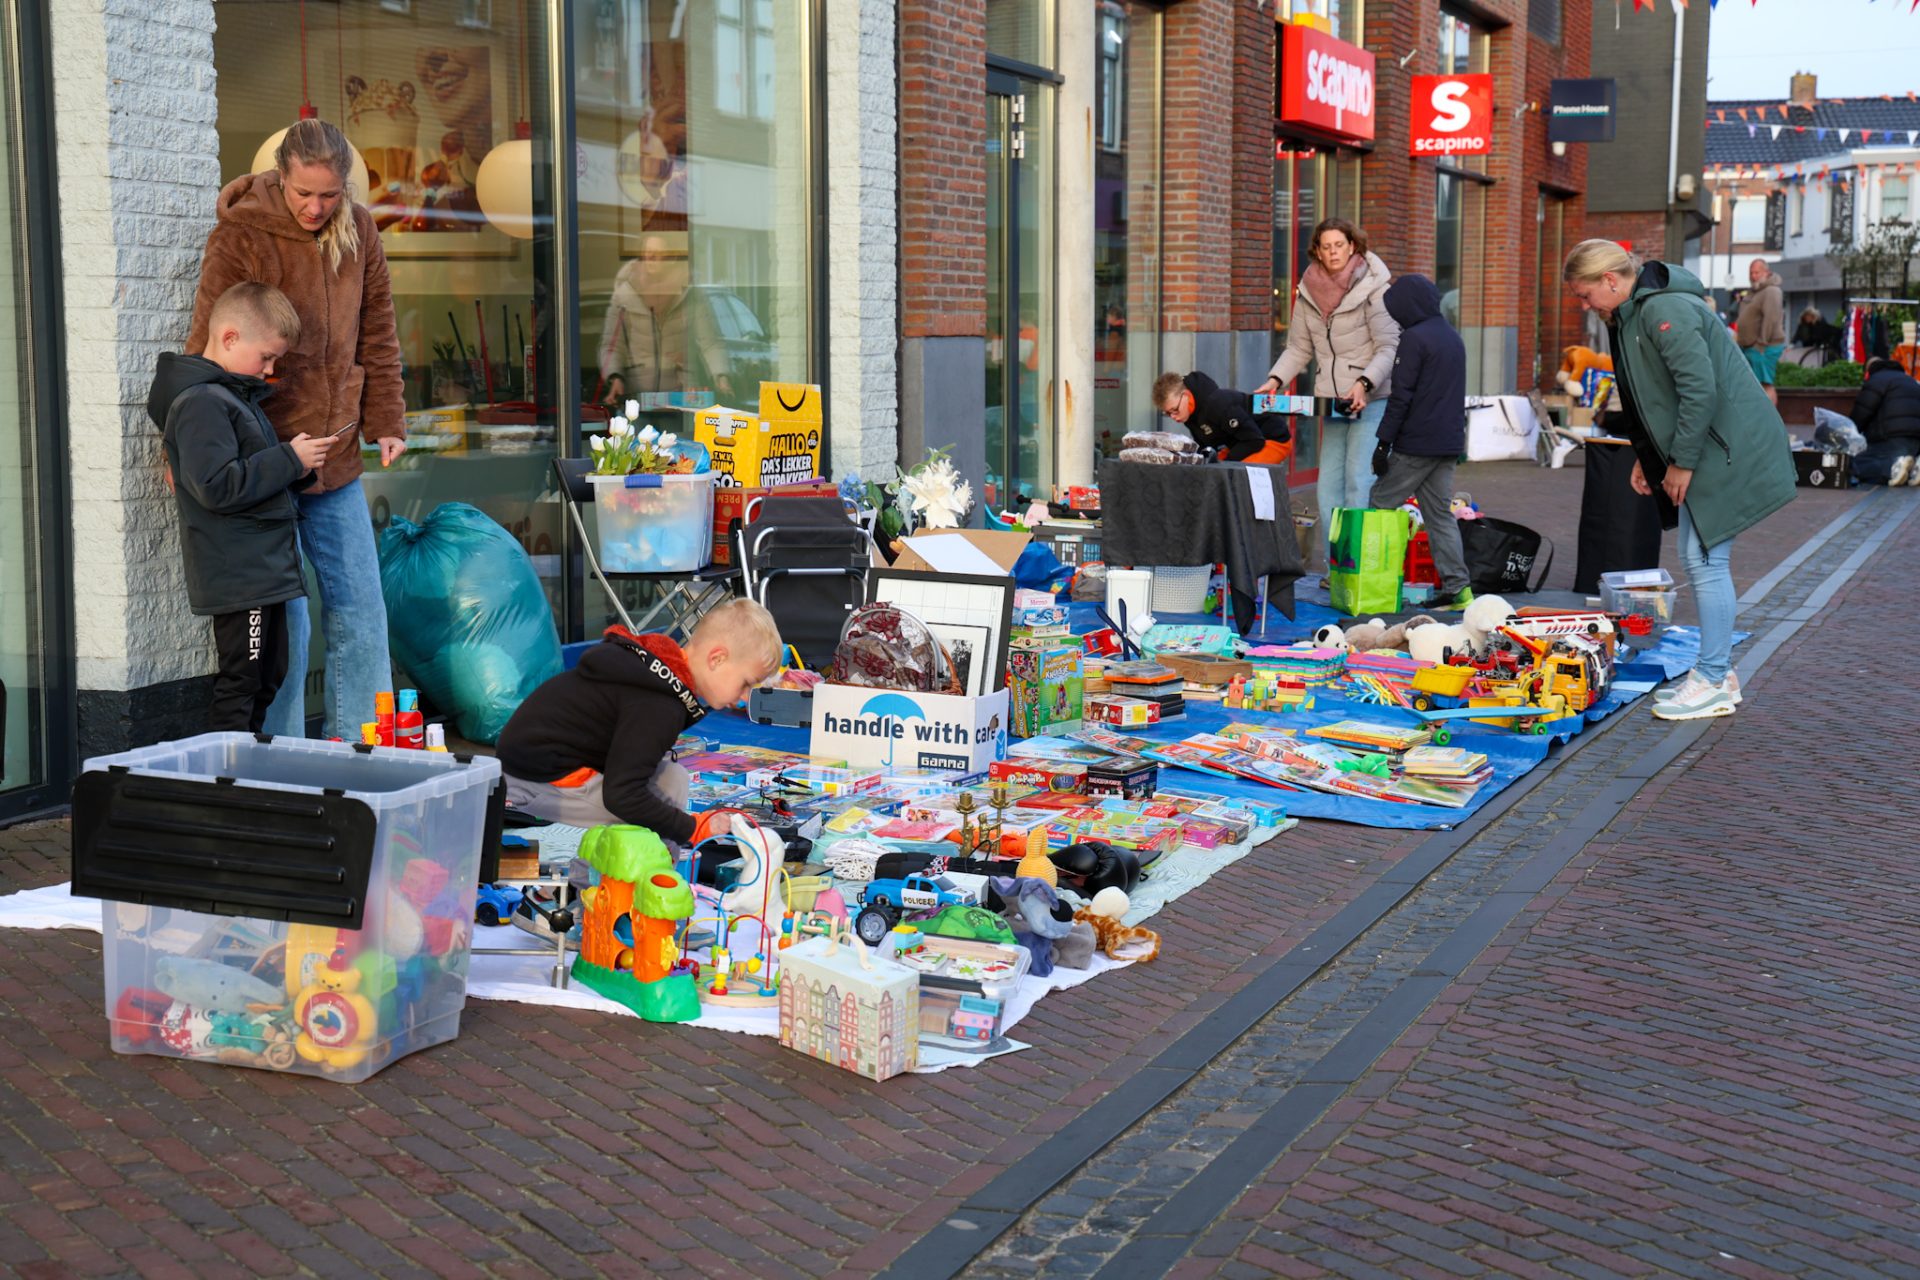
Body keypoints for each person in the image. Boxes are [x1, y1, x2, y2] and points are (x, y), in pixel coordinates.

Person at [188, 119, 406, 743]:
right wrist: (188, 440)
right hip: (263, 459)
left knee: (363, 609)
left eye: (329, 195)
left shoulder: (360, 231)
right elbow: (210, 337)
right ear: (279, 178)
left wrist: (386, 419)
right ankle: (276, 757)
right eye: (303, 193)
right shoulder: (242, 234)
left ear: (346, 187)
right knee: (289, 622)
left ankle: (364, 747)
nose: (315, 207)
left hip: (334, 456)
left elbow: (379, 332)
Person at [1562, 240, 1796, 722]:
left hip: (1722, 449)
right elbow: (1657, 398)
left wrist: (1681, 462)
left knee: (1707, 560)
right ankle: (1717, 673)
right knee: (1701, 557)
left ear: (1611, 280)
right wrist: (1649, 459)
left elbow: (1697, 388)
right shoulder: (1633, 313)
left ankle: (1711, 679)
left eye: (1586, 295)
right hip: (1713, 445)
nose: (1585, 307)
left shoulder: (1661, 310)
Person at [149, 284, 333, 732]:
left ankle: (243, 776)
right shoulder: (202, 402)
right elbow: (216, 485)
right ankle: (223, 787)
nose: (270, 370)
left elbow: (249, 472)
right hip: (239, 574)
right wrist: (290, 458)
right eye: (267, 357)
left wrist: (297, 466)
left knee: (267, 676)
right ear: (230, 338)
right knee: (243, 682)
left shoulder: (232, 396)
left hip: (260, 570)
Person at [496, 599, 785, 842]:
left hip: (538, 766)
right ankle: (637, 891)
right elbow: (622, 796)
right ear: (717, 659)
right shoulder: (659, 705)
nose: (746, 697)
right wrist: (693, 828)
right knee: (654, 816)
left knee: (672, 780)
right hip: (530, 783)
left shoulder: (656, 673)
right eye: (747, 683)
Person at [1255, 218, 1398, 569]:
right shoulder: (1309, 290)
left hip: (1371, 398)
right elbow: (1299, 348)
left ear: (1353, 246)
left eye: (1339, 245)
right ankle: (1338, 568)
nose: (1333, 252)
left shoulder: (1375, 287)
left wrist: (1364, 384)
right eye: (1326, 246)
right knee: (1327, 488)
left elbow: (1388, 346)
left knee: (1358, 482)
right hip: (1333, 403)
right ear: (1316, 250)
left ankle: (1361, 568)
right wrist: (1275, 380)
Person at [1367, 275, 1472, 611]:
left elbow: (1402, 397)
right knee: (1440, 514)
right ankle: (1459, 590)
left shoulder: (1414, 338)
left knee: (1380, 504)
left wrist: (1383, 443)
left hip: (1417, 443)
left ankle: (1376, 585)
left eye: (1395, 311)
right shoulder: (1452, 338)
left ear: (1406, 308)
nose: (1394, 317)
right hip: (1448, 443)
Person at [1150, 370, 1291, 464]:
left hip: (1271, 439)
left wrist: (1225, 463)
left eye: (1174, 410)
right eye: (1168, 413)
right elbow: (1205, 445)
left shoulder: (1217, 404)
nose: (1174, 417)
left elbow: (1254, 440)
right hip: (1239, 441)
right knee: (1211, 470)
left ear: (1186, 396)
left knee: (1235, 475)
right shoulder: (1187, 412)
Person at [1849, 357, 1920, 486]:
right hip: (1916, 441)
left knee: (1856, 464)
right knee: (1905, 459)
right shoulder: (1911, 381)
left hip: (1890, 439)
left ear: (1869, 372)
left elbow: (1862, 412)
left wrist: (1849, 433)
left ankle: (1892, 467)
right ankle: (1914, 468)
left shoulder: (1877, 380)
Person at [1735, 259, 1787, 406]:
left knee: (1765, 385)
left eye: (1757, 272)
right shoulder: (1755, 291)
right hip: (1751, 346)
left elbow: (1771, 319)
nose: (1753, 276)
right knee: (1755, 387)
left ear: (1766, 272)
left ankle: (1770, 425)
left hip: (1764, 347)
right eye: (1751, 272)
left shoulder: (1772, 291)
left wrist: (1761, 345)